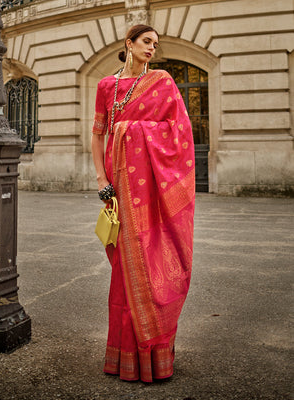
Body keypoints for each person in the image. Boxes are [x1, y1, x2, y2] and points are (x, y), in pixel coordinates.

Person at [91, 24, 195, 383]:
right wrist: (103, 180)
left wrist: (131, 131)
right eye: (146, 42)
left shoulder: (163, 82)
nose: (152, 48)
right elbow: (98, 134)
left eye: (156, 44)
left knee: (154, 266)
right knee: (124, 270)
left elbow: (179, 133)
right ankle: (125, 356)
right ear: (129, 44)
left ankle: (155, 353)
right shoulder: (107, 86)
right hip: (119, 187)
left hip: (153, 191)